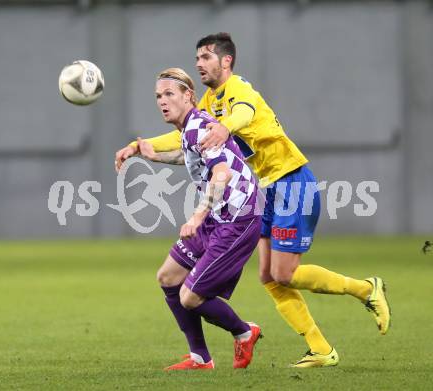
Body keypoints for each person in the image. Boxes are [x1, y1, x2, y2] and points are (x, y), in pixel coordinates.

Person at [116, 33, 391, 368]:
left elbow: (243, 114)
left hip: (291, 179)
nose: (199, 63)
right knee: (268, 277)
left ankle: (365, 289)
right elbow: (187, 134)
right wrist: (139, 146)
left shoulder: (239, 89)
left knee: (283, 274)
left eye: (206, 57)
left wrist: (225, 128)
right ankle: (320, 349)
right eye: (197, 58)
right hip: (264, 188)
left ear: (226, 60)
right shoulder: (208, 102)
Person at [116, 68, 263, 371]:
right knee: (168, 277)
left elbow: (221, 173)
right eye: (158, 96)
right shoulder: (189, 129)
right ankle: (200, 358)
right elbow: (189, 155)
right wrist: (152, 156)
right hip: (218, 214)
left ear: (189, 96)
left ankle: (245, 332)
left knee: (190, 297)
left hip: (239, 217)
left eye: (170, 94)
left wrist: (197, 216)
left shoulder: (200, 127)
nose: (162, 101)